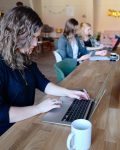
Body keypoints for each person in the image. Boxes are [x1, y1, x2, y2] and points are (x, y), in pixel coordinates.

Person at [0, 6, 89, 135]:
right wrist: (38, 108)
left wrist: (69, 93)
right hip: (7, 133)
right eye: (33, 37)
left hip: (25, 122)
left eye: (37, 37)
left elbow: (43, 83)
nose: (36, 43)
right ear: (17, 34)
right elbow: (1, 113)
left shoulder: (24, 58)